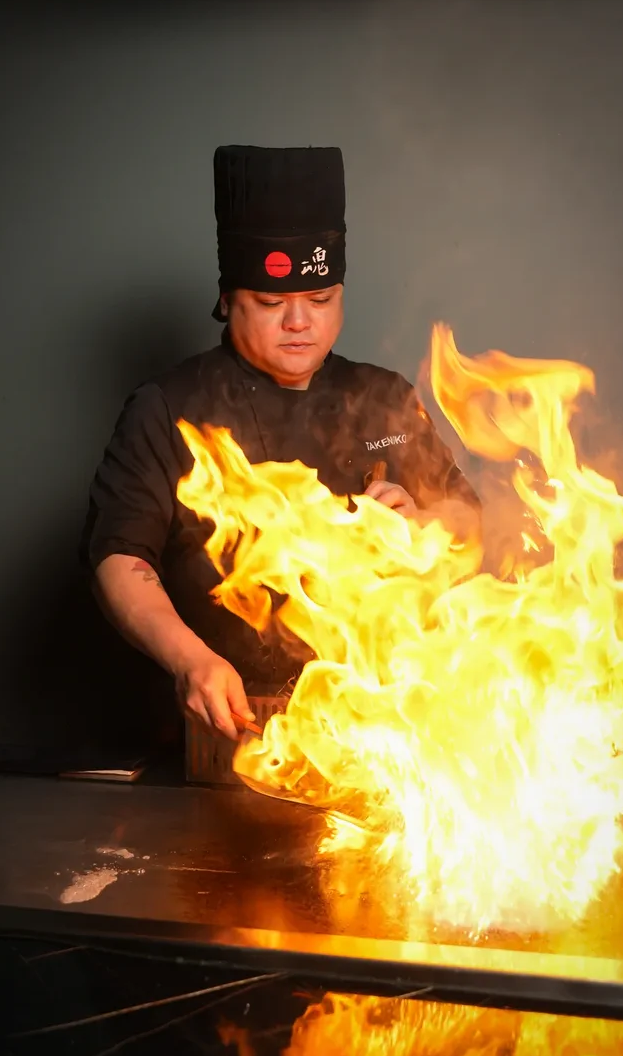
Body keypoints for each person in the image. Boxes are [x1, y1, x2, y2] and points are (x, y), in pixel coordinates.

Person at [81, 145, 480, 744]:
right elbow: (118, 558)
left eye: (320, 300)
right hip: (227, 725)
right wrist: (192, 660)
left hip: (377, 726)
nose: (299, 322)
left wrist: (424, 526)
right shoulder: (169, 407)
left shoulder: (384, 395)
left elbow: (469, 520)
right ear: (226, 300)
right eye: (271, 303)